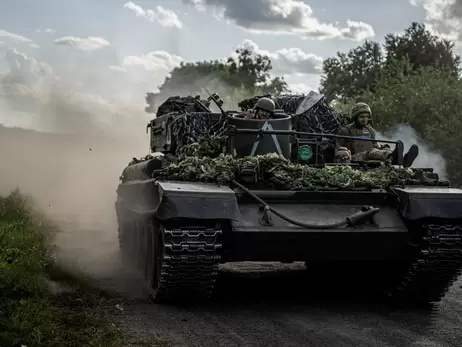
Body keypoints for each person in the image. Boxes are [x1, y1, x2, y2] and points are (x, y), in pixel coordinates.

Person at [335, 102, 419, 167]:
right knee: (371, 152)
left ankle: (401, 160)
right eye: (362, 117)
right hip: (354, 158)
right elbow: (337, 150)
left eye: (367, 117)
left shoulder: (370, 130)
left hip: (369, 156)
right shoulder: (346, 131)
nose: (365, 119)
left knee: (383, 149)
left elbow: (375, 145)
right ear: (355, 117)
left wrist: (383, 147)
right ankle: (394, 156)